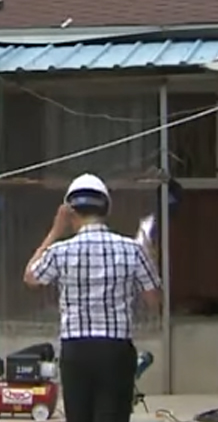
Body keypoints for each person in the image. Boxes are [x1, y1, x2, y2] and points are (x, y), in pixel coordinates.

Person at [23, 173, 161, 422]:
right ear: (107, 208)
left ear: (70, 212)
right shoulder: (132, 249)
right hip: (116, 349)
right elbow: (154, 301)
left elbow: (31, 277)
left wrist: (55, 231)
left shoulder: (60, 251)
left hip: (76, 350)